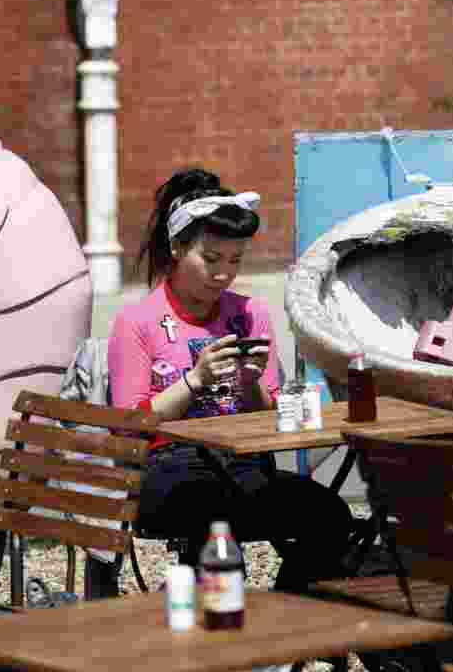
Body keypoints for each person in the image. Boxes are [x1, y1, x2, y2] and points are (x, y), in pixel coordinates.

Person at [106, 167, 353, 594]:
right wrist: (194, 381)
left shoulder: (250, 313)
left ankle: (285, 622)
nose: (224, 273)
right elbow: (127, 425)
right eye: (211, 259)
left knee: (329, 515)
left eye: (236, 260)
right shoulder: (137, 321)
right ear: (178, 249)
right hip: (169, 471)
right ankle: (201, 618)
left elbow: (268, 416)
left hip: (244, 465)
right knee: (217, 526)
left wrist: (252, 382)